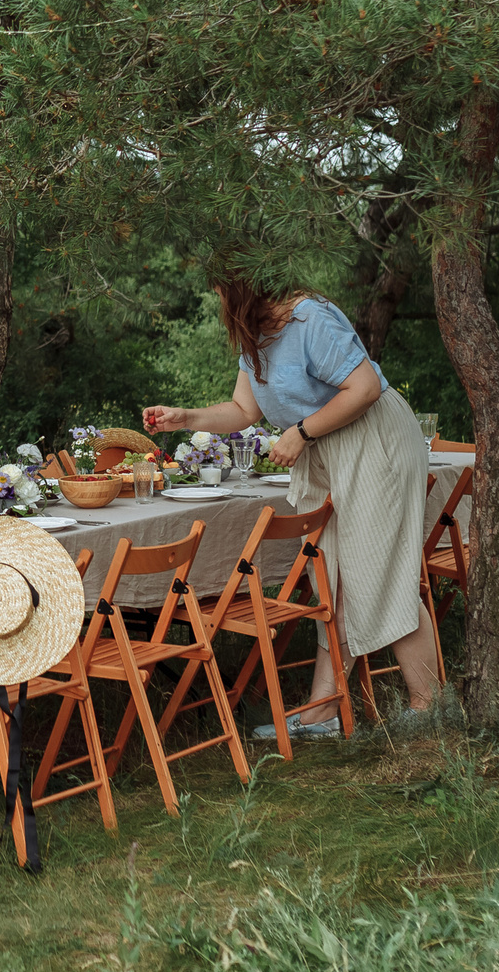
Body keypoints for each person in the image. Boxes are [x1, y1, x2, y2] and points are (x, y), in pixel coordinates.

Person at [143, 278, 440, 731]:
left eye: (221, 289)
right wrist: (187, 418)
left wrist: (301, 432)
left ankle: (430, 707)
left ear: (242, 286)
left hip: (373, 441)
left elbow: (363, 388)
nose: (217, 298)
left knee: (382, 570)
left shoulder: (309, 317)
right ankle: (324, 710)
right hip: (329, 449)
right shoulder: (256, 334)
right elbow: (244, 410)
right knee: (332, 578)